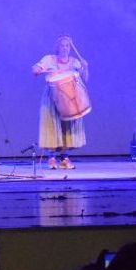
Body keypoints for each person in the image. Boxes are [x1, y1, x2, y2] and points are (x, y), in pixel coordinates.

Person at [31, 35, 89, 169]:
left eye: (67, 46)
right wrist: (39, 70)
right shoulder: (49, 59)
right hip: (53, 97)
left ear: (70, 48)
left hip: (70, 98)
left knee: (67, 127)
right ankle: (51, 158)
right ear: (58, 47)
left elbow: (84, 80)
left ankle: (64, 158)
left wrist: (85, 68)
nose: (65, 48)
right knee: (53, 125)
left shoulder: (75, 62)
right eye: (62, 45)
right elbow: (35, 69)